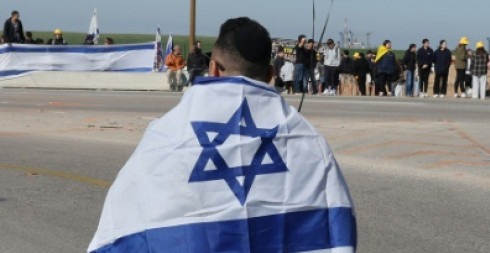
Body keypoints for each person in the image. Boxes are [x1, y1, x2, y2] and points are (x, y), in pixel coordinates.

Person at [87, 16, 356, 253]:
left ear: (213, 68)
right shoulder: (307, 139)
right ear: (272, 74)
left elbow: (123, 225)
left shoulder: (166, 135)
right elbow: (336, 224)